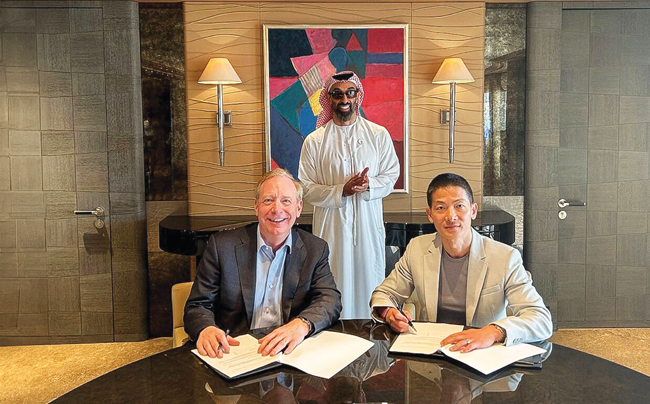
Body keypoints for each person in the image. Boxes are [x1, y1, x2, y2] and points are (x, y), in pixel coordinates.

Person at [370, 173, 553, 352]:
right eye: (440, 208)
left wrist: (493, 331)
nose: (451, 216)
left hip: (481, 355)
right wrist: (389, 312)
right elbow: (384, 294)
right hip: (433, 352)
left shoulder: (505, 257)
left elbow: (540, 319)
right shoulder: (417, 249)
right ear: (430, 214)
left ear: (473, 210)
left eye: (459, 206)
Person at [184, 168, 342, 358]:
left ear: (298, 208)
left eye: (286, 201)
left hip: (288, 352)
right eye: (268, 200)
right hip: (234, 351)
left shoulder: (315, 249)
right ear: (256, 206)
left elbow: (329, 299)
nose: (277, 209)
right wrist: (206, 328)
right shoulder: (222, 247)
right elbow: (198, 305)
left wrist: (302, 324)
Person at [299, 71, 400, 320]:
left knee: (370, 282)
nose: (344, 99)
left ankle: (370, 335)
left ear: (357, 96)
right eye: (337, 94)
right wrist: (340, 191)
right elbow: (306, 188)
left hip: (368, 227)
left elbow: (391, 175)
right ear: (329, 99)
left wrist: (369, 185)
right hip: (331, 229)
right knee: (332, 281)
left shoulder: (378, 135)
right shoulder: (315, 141)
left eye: (350, 93)